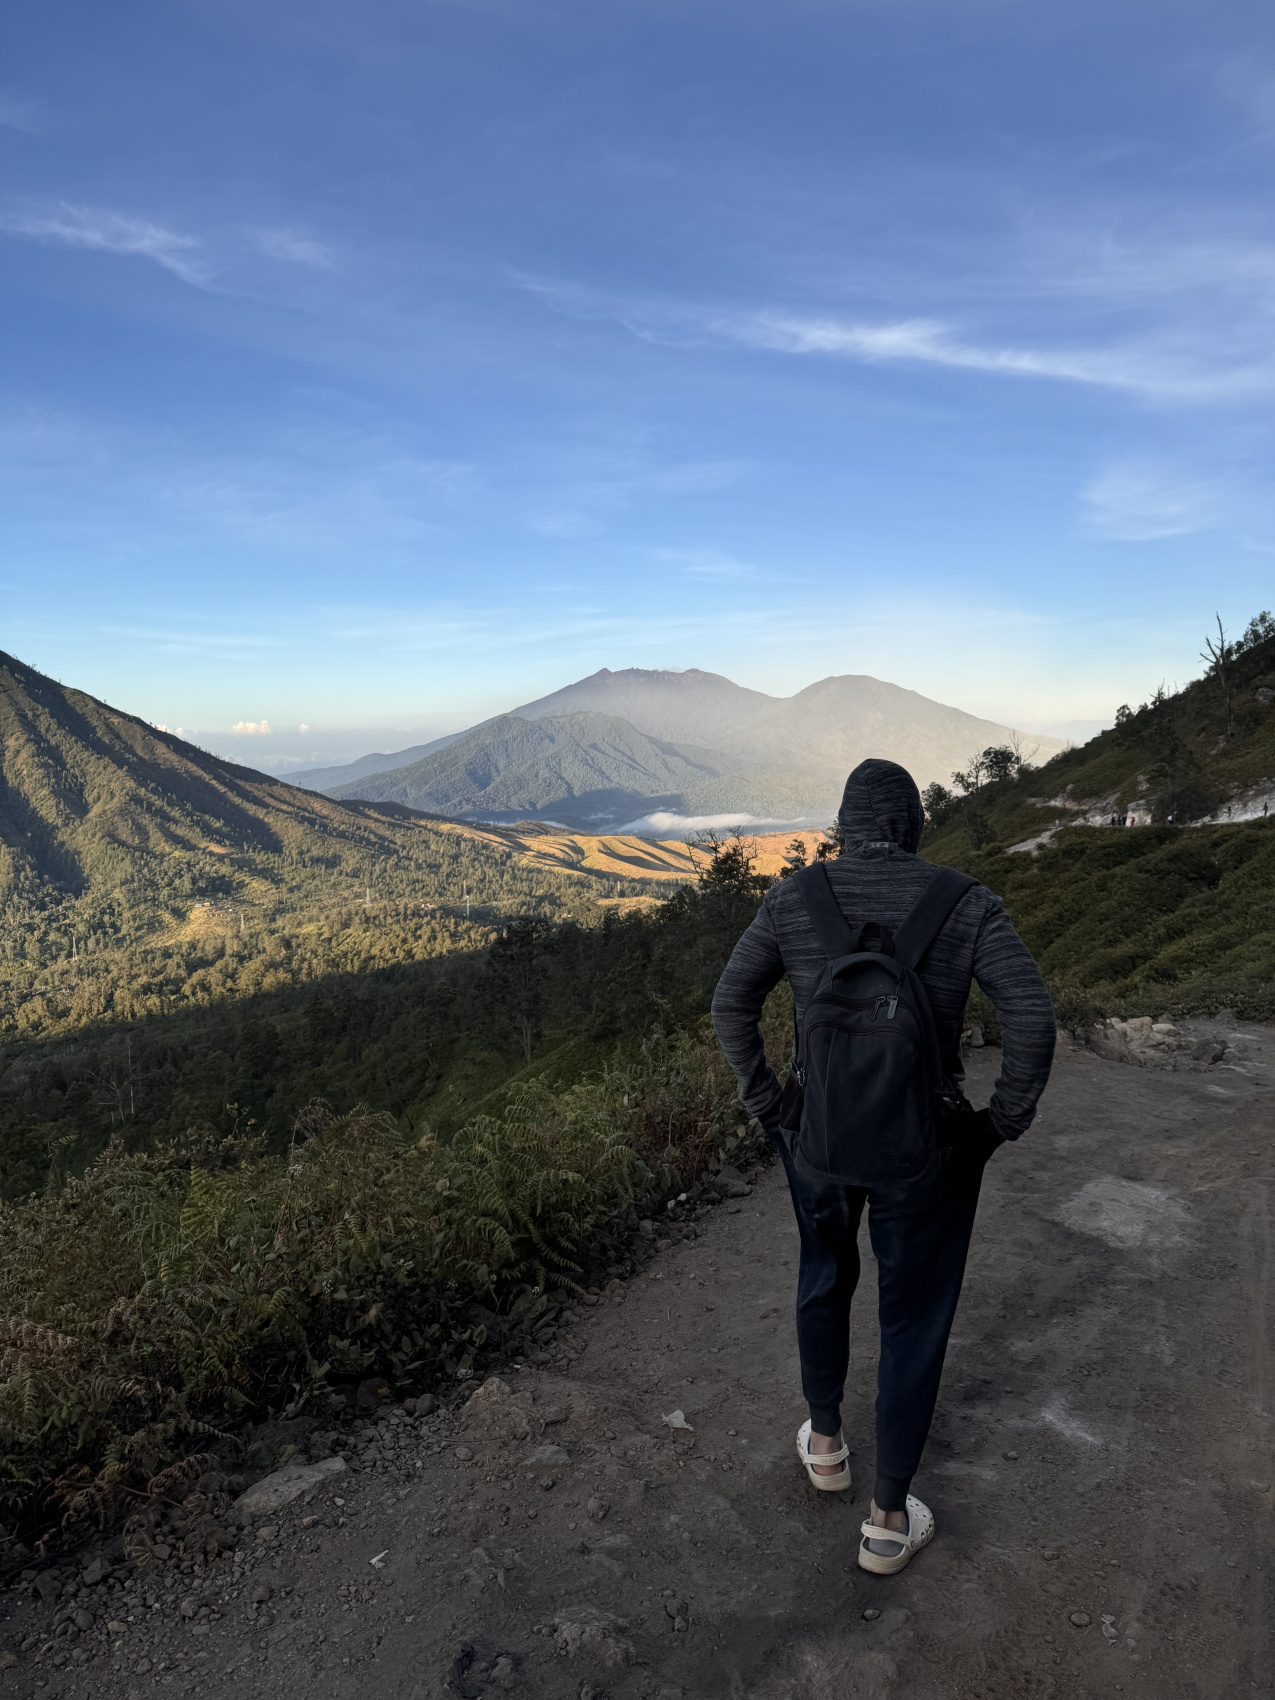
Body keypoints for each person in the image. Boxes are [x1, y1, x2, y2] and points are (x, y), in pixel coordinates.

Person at [710, 758, 1055, 1574]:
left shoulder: (793, 900)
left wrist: (771, 1108)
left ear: (842, 828)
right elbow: (1031, 1019)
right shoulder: (965, 902)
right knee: (913, 1315)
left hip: (818, 1143)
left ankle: (826, 1444)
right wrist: (994, 1127)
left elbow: (731, 1003)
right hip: (924, 1151)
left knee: (823, 1274)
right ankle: (888, 1519)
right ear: (913, 826)